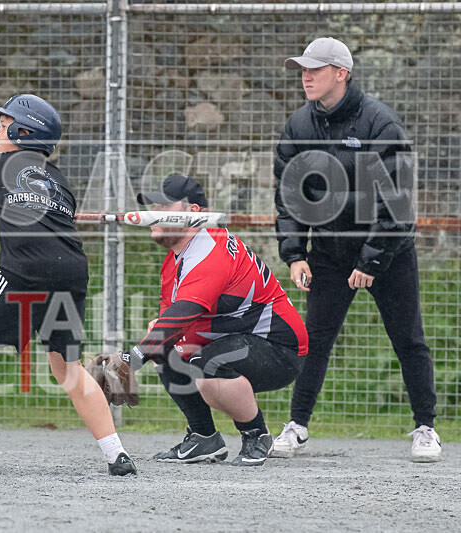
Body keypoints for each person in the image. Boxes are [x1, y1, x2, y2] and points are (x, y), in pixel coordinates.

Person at [0, 94, 137, 477]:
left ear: (23, 132)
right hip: (71, 269)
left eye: (3, 127)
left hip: (24, 269)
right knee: (66, 367)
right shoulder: (60, 179)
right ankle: (117, 455)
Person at [272, 37, 441, 462]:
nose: (306, 76)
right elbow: (290, 196)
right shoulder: (298, 126)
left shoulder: (381, 125)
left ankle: (426, 428)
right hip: (330, 252)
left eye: (315, 69)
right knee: (314, 340)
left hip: (388, 252)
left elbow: (397, 205)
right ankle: (297, 425)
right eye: (302, 70)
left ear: (341, 73)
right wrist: (295, 254)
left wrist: (371, 259)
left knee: (409, 340)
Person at [92, 174, 308, 467]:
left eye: (163, 207)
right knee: (161, 342)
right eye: (152, 206)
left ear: (193, 214)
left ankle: (256, 434)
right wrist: (148, 349)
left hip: (280, 348)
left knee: (207, 365)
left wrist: (130, 359)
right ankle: (204, 438)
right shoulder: (177, 259)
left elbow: (181, 318)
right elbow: (170, 325)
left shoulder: (210, 251)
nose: (152, 214)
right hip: (236, 336)